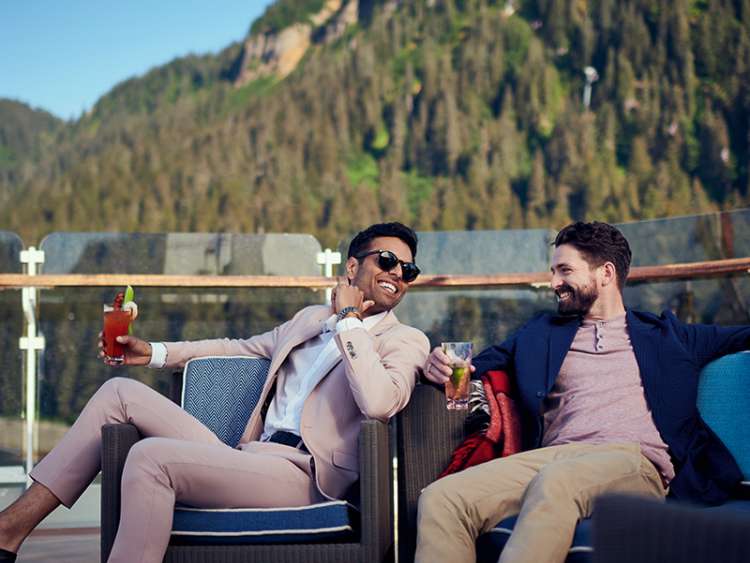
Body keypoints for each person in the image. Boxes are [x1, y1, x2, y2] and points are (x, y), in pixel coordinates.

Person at [0, 222, 429, 563]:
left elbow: (378, 402)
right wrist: (152, 352)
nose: (396, 273)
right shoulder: (311, 319)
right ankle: (9, 531)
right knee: (118, 393)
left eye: (406, 270)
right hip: (249, 456)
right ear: (352, 268)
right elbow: (236, 349)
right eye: (387, 260)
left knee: (150, 457)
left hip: (306, 476)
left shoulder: (405, 340)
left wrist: (351, 320)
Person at [417, 221, 750, 563]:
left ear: (605, 273)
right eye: (553, 271)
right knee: (442, 499)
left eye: (564, 270)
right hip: (553, 457)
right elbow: (474, 365)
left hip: (632, 460)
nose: (553, 283)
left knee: (557, 482)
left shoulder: (670, 335)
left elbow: (742, 335)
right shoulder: (540, 333)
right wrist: (437, 365)